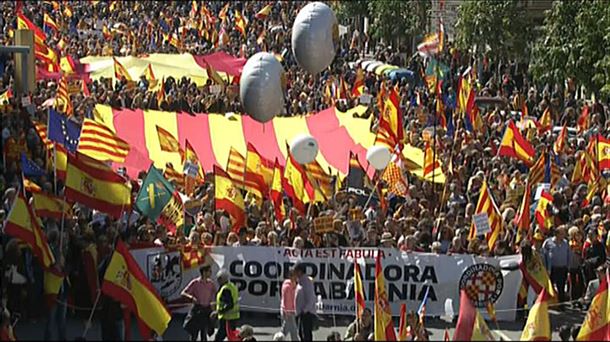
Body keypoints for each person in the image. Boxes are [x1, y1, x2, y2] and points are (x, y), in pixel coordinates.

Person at [182, 265, 216, 341]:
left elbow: (213, 297)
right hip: (197, 309)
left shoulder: (211, 284)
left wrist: (213, 310)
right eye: (209, 271)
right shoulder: (195, 283)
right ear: (204, 272)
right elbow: (183, 293)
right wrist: (191, 298)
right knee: (194, 332)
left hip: (206, 309)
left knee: (204, 332)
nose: (211, 273)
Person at [542, 226, 571, 303]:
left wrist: (568, 268)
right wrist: (546, 268)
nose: (563, 235)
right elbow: (544, 255)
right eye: (562, 234)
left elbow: (568, 255)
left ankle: (561, 304)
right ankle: (550, 303)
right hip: (552, 269)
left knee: (561, 287)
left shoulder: (565, 243)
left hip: (562, 269)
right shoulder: (548, 243)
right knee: (550, 287)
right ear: (557, 234)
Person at [213, 269, 240, 342]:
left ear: (221, 279)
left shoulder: (225, 289)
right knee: (231, 337)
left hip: (226, 318)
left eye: (218, 279)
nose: (217, 281)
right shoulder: (232, 286)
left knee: (219, 337)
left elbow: (229, 304)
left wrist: (218, 311)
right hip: (234, 317)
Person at [294, 262, 316, 342]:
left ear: (300, 271)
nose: (294, 273)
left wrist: (305, 310)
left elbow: (311, 298)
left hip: (306, 313)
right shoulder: (300, 281)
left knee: (306, 334)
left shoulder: (307, 282)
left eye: (296, 271)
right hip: (300, 313)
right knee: (300, 333)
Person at [281, 269, 298, 341]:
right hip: (288, 311)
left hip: (293, 310)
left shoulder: (295, 285)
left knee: (287, 329)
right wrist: (286, 311)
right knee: (292, 329)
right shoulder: (287, 287)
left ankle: (278, 339)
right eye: (295, 276)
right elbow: (285, 300)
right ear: (291, 276)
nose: (296, 277)